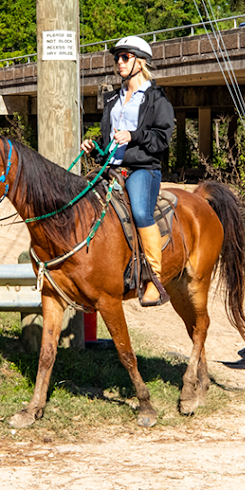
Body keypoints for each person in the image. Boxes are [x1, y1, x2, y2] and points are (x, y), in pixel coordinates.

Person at [82, 36, 175, 305]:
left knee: (139, 212)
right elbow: (110, 138)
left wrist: (134, 136)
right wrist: (95, 147)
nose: (119, 62)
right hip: (110, 167)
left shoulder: (157, 98)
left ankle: (154, 279)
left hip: (142, 170)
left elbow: (162, 139)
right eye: (116, 58)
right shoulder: (113, 98)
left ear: (140, 61)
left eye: (125, 57)